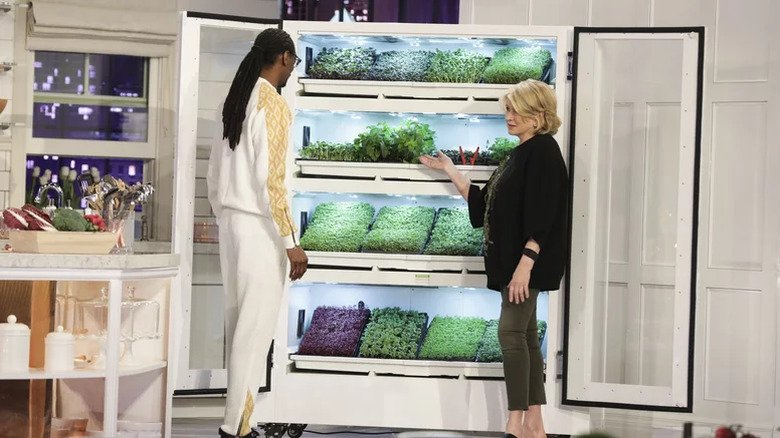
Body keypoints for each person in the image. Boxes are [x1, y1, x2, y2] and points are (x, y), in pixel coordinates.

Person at [420, 79, 568, 438]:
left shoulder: (544, 151)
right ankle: (535, 423)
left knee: (510, 334)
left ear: (540, 115)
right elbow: (485, 204)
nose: (510, 115)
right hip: (517, 263)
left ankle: (515, 423)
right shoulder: (520, 153)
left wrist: (525, 265)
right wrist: (452, 170)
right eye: (508, 108)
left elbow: (545, 214)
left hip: (526, 264)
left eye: (518, 109)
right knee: (527, 337)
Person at [207, 28, 308, 438]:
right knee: (254, 335)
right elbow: (274, 182)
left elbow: (213, 176)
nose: (291, 70)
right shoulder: (273, 104)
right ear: (283, 57)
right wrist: (291, 243)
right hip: (261, 232)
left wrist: (224, 217)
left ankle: (236, 424)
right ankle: (237, 428)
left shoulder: (232, 102)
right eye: (294, 62)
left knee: (239, 330)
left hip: (231, 227)